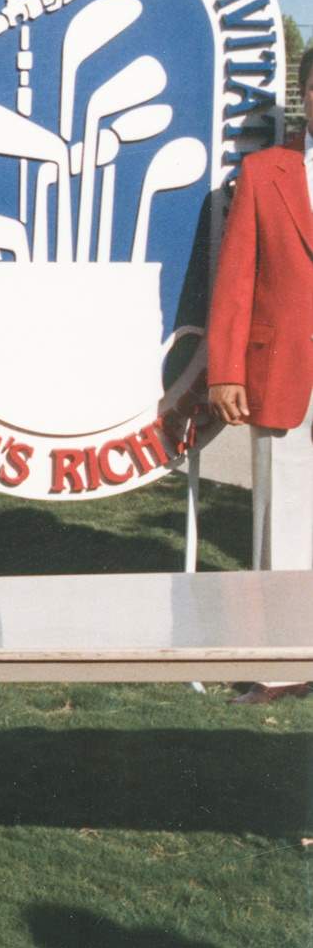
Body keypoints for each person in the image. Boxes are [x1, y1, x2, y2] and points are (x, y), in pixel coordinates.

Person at [207, 47, 313, 703]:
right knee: (285, 516)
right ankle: (282, 663)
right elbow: (237, 275)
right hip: (281, 369)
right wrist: (224, 369)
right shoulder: (263, 172)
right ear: (306, 93)